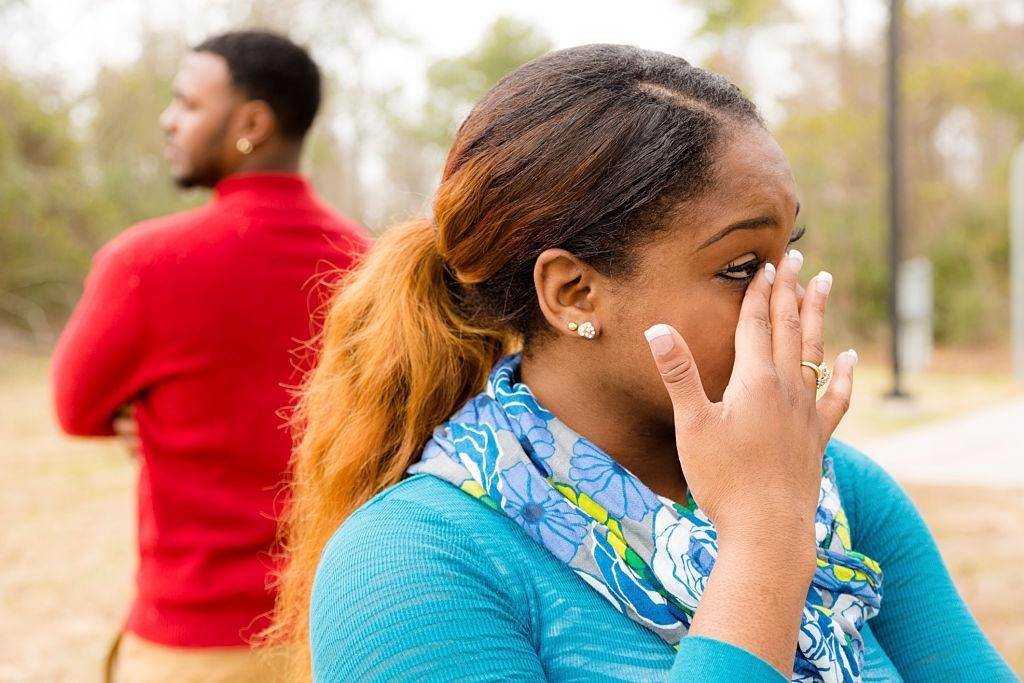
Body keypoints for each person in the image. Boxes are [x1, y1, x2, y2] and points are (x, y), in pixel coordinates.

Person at [273, 45, 1017, 682]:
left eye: (788, 253)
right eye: (738, 267)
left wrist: (784, 508)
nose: (783, 299)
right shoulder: (412, 561)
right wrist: (763, 541)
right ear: (574, 293)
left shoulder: (836, 486)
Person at [51, 30, 370, 682]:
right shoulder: (369, 263)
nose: (169, 120)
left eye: (188, 104)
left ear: (251, 121)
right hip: (336, 635)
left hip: (192, 646)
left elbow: (76, 408)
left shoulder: (145, 263)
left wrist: (153, 416)